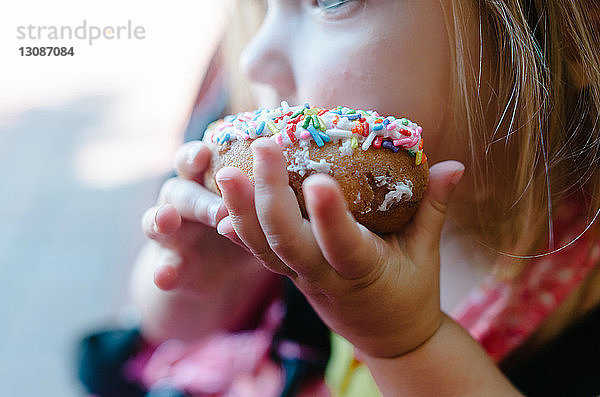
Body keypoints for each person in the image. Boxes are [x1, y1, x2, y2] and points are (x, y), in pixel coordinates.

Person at [78, 1, 600, 396]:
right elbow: (161, 330)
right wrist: (197, 281)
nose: (254, 58)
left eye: (331, 0)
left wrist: (406, 346)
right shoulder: (287, 204)